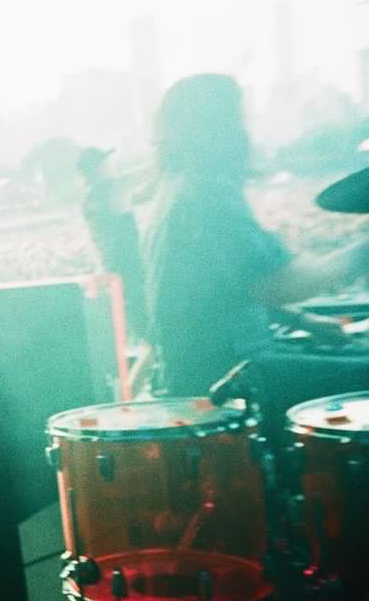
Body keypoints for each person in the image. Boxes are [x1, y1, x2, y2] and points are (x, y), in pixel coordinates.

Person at [139, 73, 369, 397]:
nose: (244, 133)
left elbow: (227, 290)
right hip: (229, 374)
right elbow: (278, 284)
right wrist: (364, 251)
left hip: (210, 367)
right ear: (214, 129)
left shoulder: (176, 189)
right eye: (236, 120)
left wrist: (305, 321)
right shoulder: (207, 195)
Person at [77, 146, 147, 342]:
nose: (110, 165)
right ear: (97, 168)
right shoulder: (114, 187)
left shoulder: (90, 199)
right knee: (144, 316)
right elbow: (151, 176)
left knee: (134, 317)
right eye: (105, 162)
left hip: (112, 267)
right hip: (130, 264)